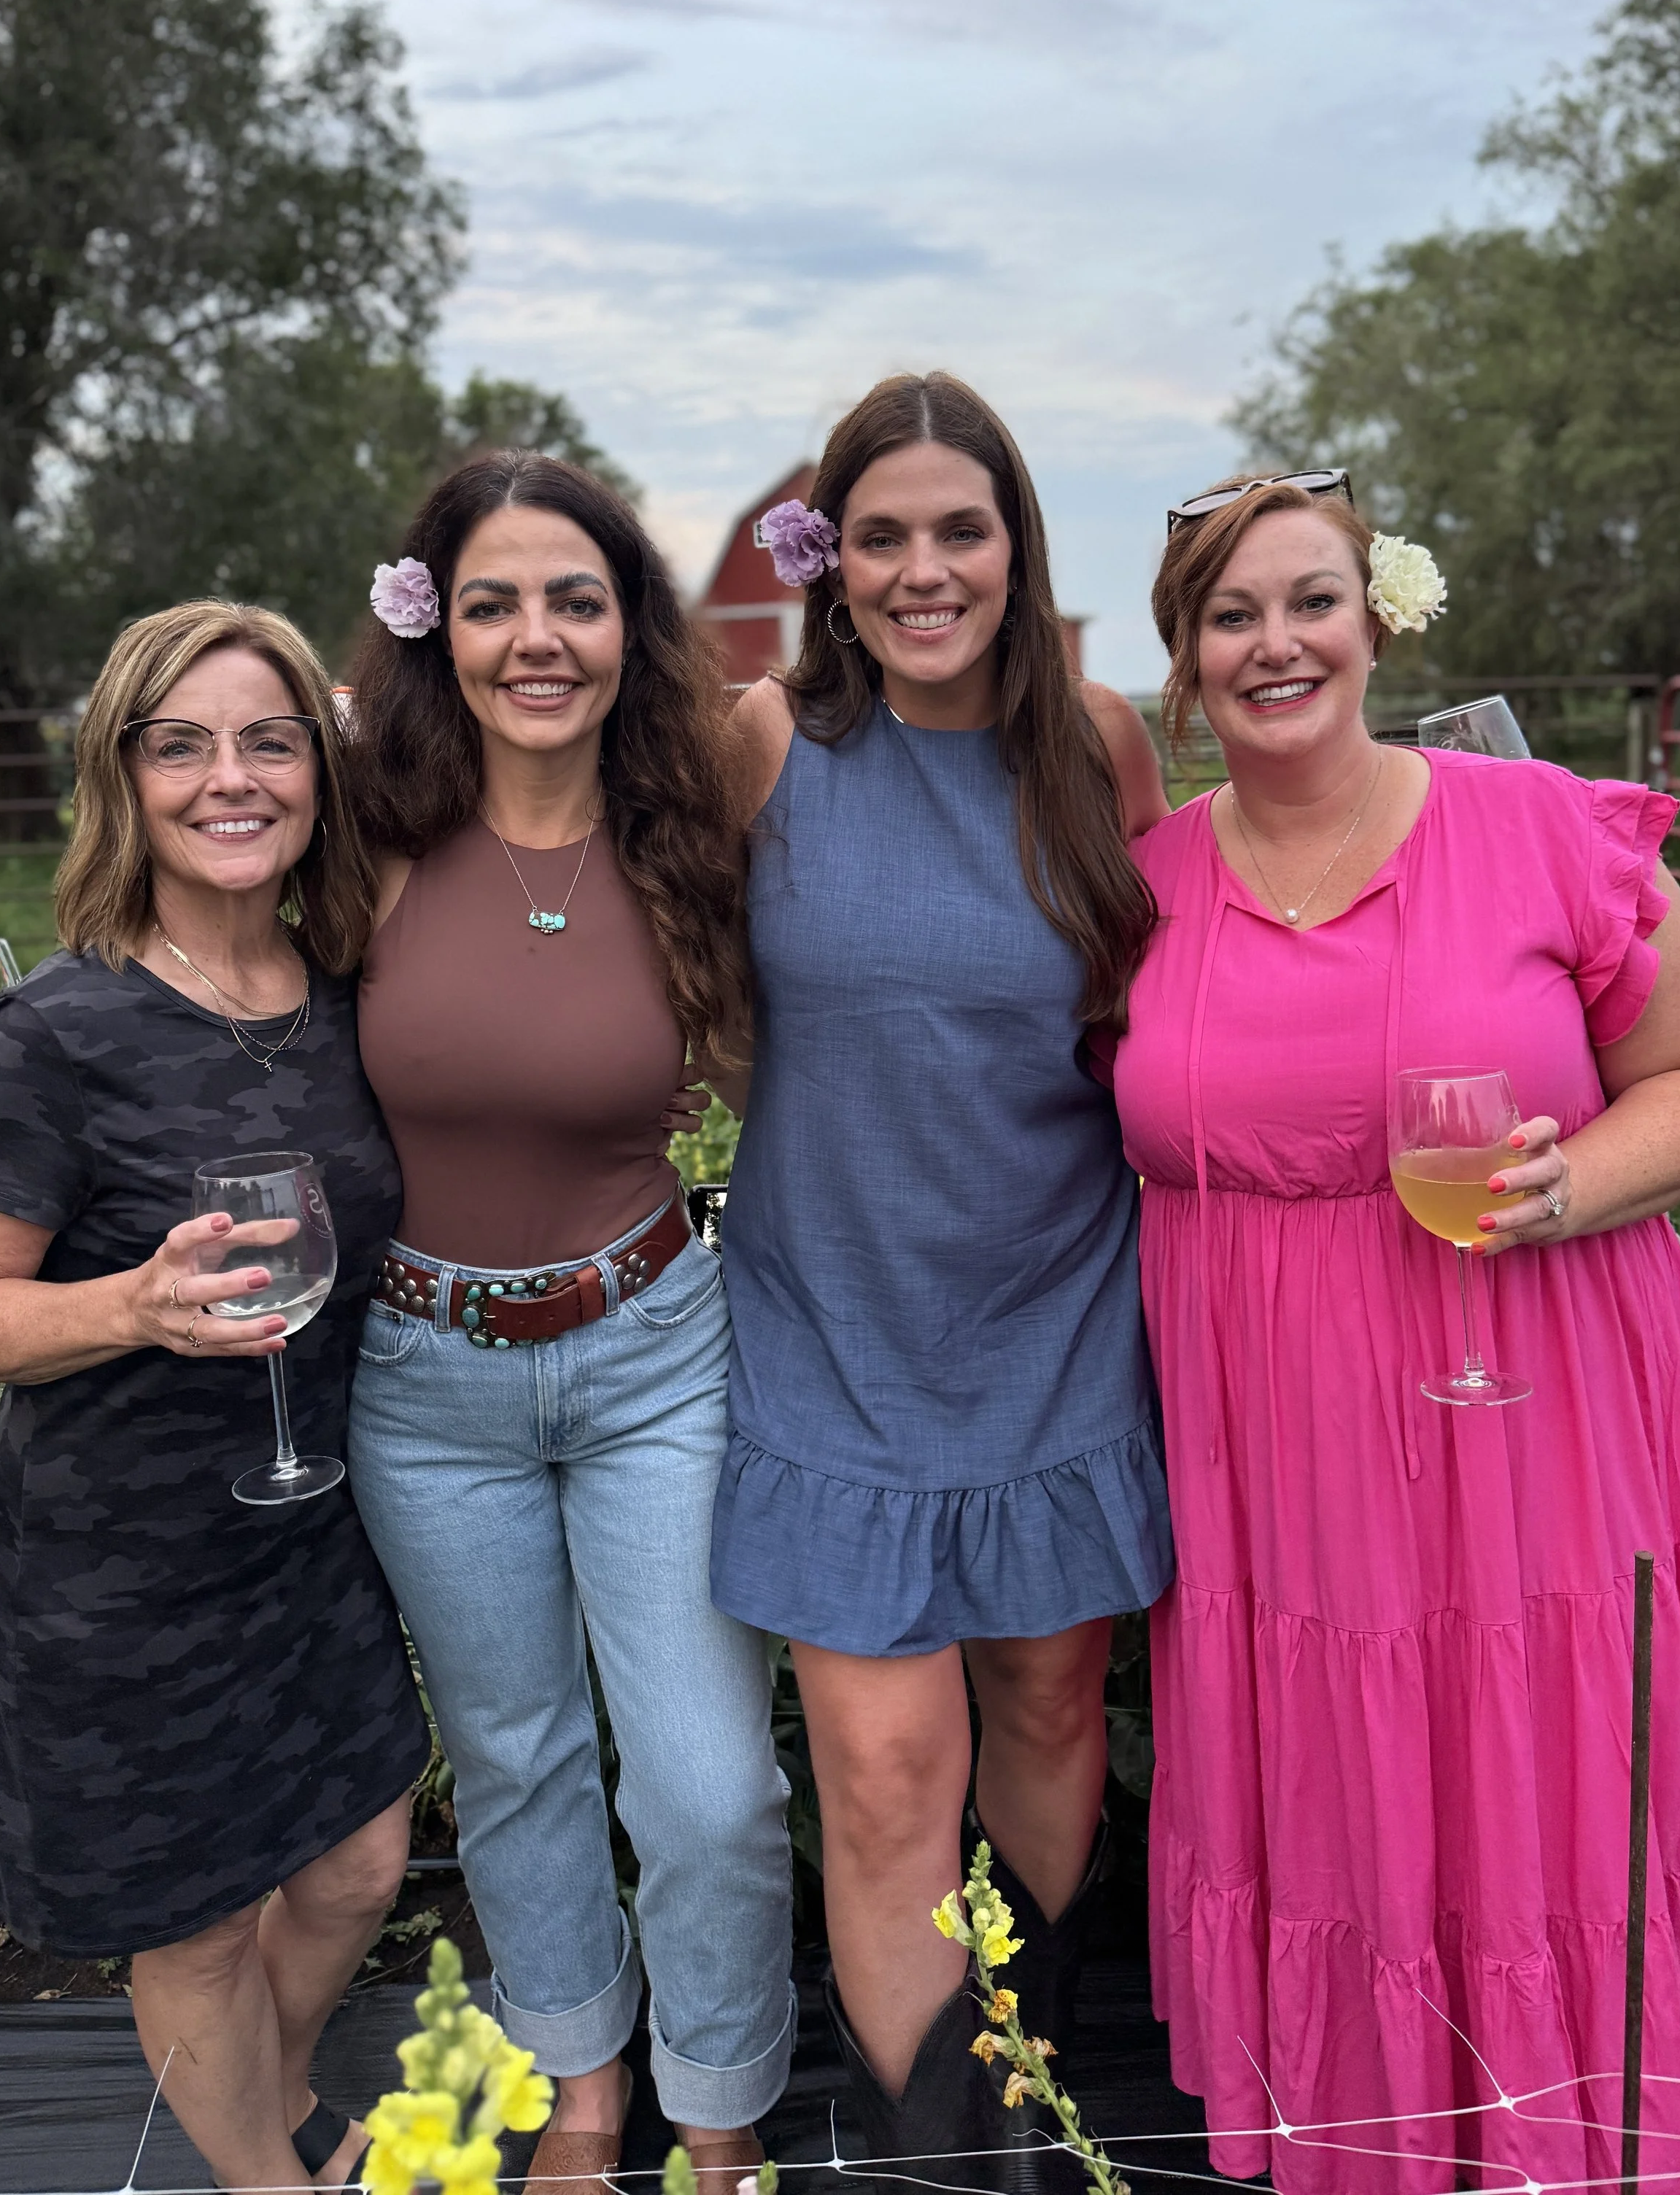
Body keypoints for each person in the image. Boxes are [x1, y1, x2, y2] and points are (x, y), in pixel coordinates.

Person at [1114, 468, 1680, 2194]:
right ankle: (1372, 2127)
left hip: (1533, 1403)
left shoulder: (1536, 822)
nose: (1275, 643)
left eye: (1308, 601)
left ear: (1374, 614)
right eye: (1230, 616)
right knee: (1345, 1787)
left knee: (1532, 1762)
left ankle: (1567, 2131)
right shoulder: (1138, 890)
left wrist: (1575, 1184)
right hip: (1273, 1444)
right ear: (1184, 661)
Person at [708, 371, 1174, 2177]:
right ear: (829, 557)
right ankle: (930, 2152)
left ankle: (1030, 2082)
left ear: (1012, 543)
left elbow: (1156, 1018)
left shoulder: (1100, 746)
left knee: (1052, 1704)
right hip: (831, 1324)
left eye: (957, 531)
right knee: (888, 1767)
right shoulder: (767, 741)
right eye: (881, 534)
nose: (922, 571)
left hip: (1055, 1313)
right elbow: (705, 997)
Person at [344, 452, 794, 2195]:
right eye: (492, 601)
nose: (538, 638)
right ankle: (580, 2087)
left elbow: (783, 1070)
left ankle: (719, 2095)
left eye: (576, 599)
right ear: (431, 626)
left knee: (707, 1788)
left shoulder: (697, 830)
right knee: (520, 1759)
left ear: (630, 624)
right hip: (420, 1372)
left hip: (652, 1351)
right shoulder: (366, 837)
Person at [0, 602, 429, 2192]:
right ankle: (265, 2174)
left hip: (308, 1542)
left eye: (266, 739)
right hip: (117, 1570)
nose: (228, 777)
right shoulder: (59, 1034)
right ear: (126, 779)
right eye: (182, 745)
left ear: (315, 769)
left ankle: (270, 2095)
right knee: (207, 1916)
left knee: (363, 1860)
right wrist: (131, 1305)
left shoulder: (347, 991)